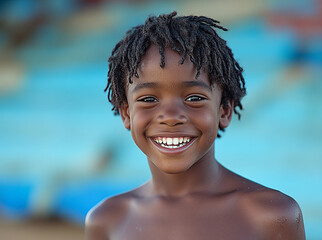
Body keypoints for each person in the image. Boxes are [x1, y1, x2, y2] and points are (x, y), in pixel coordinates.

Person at [85, 12, 306, 240]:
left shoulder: (272, 215)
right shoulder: (107, 220)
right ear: (126, 113)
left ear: (224, 110)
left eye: (194, 98)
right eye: (149, 99)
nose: (170, 117)